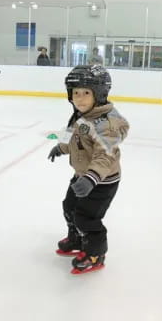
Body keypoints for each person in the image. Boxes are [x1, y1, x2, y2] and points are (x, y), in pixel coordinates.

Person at [48, 65, 129, 274]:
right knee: (69, 207)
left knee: (87, 218)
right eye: (75, 93)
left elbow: (105, 155)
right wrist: (61, 147)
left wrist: (92, 178)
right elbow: (73, 137)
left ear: (100, 94)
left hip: (102, 181)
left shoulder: (106, 124)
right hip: (82, 175)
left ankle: (95, 253)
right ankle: (77, 239)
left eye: (86, 93)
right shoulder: (79, 115)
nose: (79, 98)